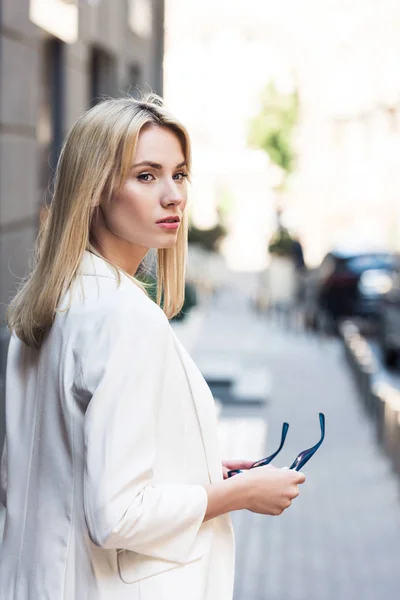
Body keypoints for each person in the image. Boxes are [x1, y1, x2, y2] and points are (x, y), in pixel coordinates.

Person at [0, 95, 305, 600]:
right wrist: (238, 494)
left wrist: (196, 468)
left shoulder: (49, 303)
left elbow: (53, 470)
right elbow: (117, 516)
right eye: (146, 175)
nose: (173, 196)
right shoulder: (124, 317)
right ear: (93, 188)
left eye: (179, 174)